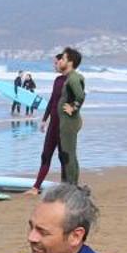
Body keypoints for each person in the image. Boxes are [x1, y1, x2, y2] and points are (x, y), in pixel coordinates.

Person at [36, 47, 87, 184]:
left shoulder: (73, 78)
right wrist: (44, 119)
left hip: (67, 124)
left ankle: (70, 186)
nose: (58, 62)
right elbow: (53, 100)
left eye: (62, 59)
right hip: (57, 123)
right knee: (55, 155)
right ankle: (63, 185)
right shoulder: (61, 80)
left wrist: (74, 108)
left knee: (66, 156)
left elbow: (81, 96)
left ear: (69, 62)